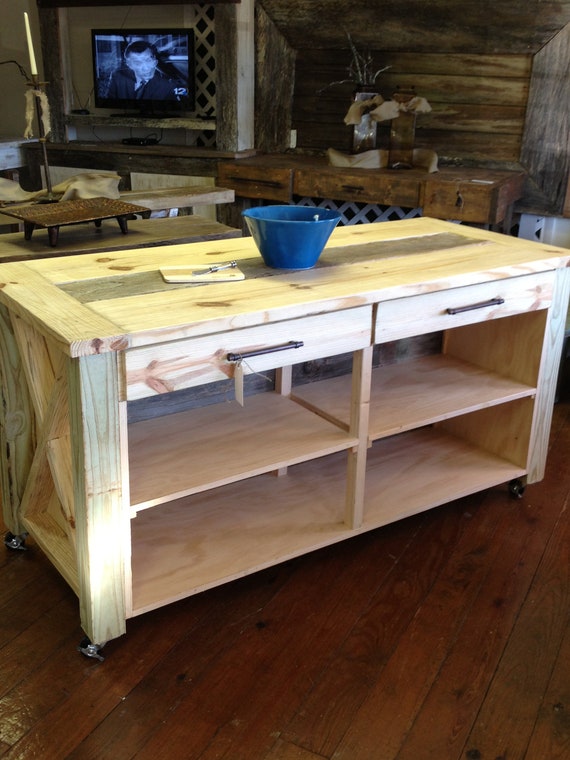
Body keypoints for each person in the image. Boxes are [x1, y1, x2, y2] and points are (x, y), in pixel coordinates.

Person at [106, 40, 186, 101]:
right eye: (138, 63)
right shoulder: (117, 77)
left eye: (148, 60)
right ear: (129, 65)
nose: (146, 68)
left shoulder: (168, 85)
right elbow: (109, 103)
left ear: (155, 61)